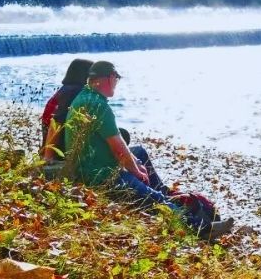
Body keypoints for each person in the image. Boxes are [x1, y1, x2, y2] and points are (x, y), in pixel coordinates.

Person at [64, 61, 233, 239]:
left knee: (139, 152)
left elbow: (116, 144)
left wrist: (134, 162)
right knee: (152, 198)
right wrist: (135, 170)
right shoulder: (99, 106)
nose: (116, 83)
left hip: (90, 164)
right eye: (117, 79)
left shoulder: (84, 97)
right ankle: (201, 229)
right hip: (99, 174)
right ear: (110, 77)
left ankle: (164, 193)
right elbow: (118, 148)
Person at [40, 58, 93, 161]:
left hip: (52, 144)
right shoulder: (73, 92)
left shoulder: (66, 89)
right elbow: (56, 122)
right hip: (59, 148)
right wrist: (48, 157)